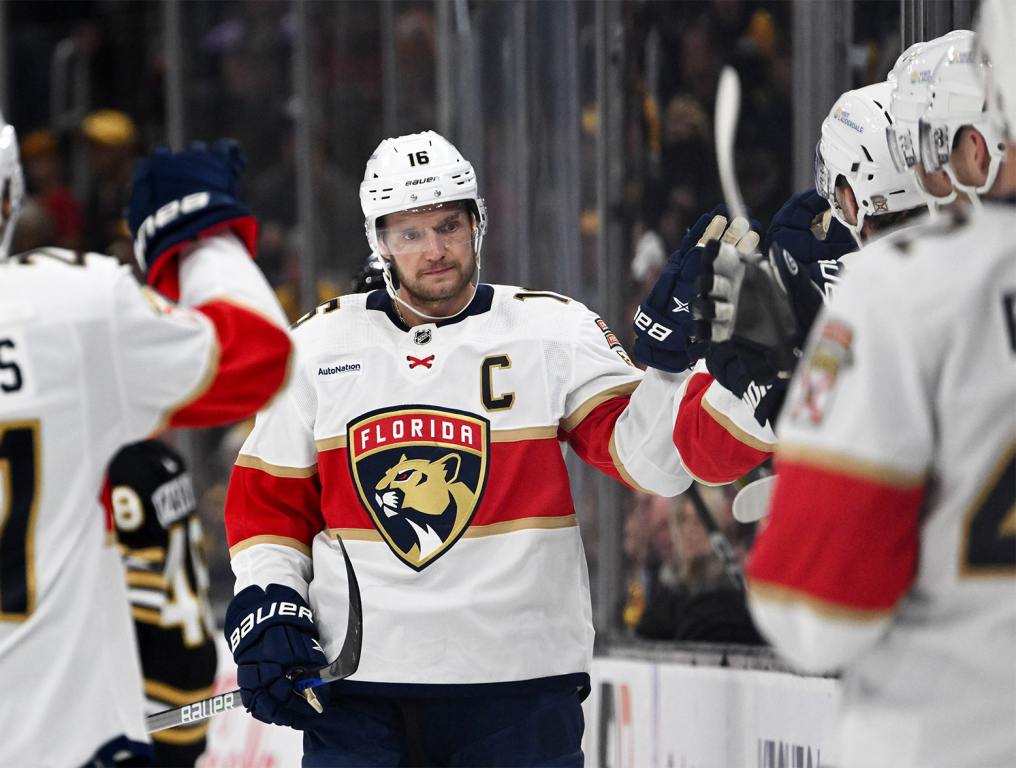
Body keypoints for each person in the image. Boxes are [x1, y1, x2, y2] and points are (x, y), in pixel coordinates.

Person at [222, 130, 698, 766]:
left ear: (478, 222)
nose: (435, 250)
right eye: (410, 234)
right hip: (360, 694)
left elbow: (654, 467)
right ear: (379, 241)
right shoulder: (316, 347)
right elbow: (268, 510)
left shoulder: (551, 331)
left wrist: (668, 370)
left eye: (449, 224)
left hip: (518, 690)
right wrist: (269, 602)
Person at [746, 11, 1016, 766]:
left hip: (948, 734)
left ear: (969, 149)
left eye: (918, 153)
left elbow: (813, 612)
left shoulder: (900, 294)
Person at [0, 130, 292, 767]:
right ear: (9, 200)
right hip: (61, 741)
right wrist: (195, 228)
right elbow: (257, 355)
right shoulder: (67, 309)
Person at [104, 440, 217, 767]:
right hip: (192, 660)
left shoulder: (122, 471)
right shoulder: (163, 457)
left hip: (153, 678)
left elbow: (143, 584)